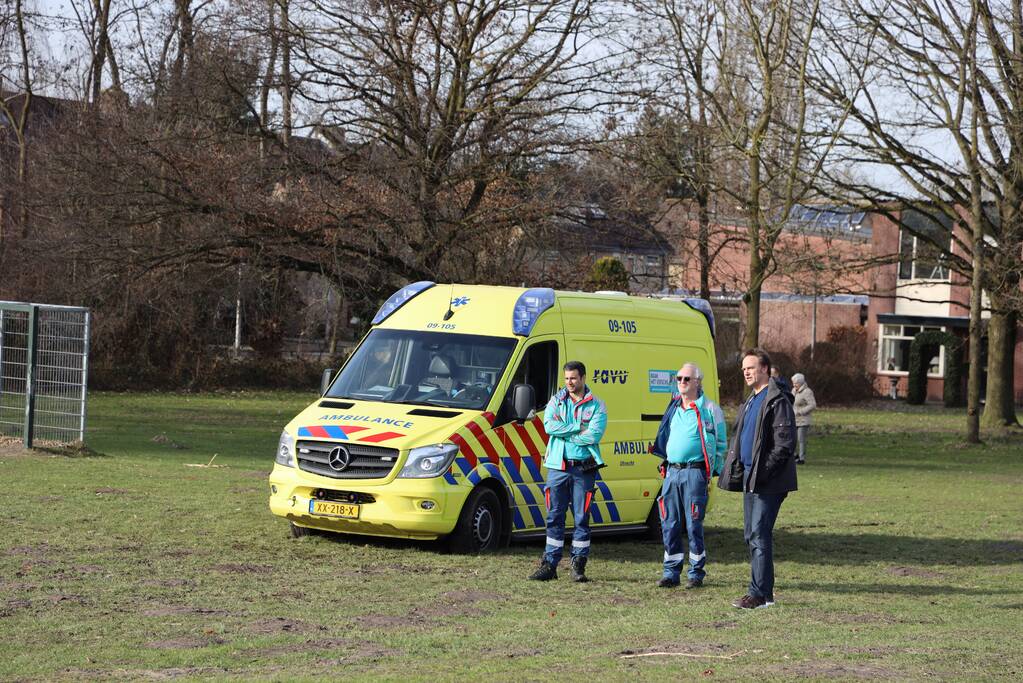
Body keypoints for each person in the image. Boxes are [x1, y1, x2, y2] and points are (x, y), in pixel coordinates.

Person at [717, 348, 797, 609]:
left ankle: (758, 595)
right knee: (752, 535)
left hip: (767, 482)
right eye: (743, 369)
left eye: (750, 367)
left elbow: (784, 446)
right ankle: (765, 593)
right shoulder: (751, 400)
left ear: (764, 369)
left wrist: (763, 474)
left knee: (759, 535)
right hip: (751, 479)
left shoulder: (777, 400)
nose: (746, 372)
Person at [528, 360, 608, 583]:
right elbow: (548, 427)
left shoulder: (597, 405)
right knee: (554, 516)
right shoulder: (556, 400)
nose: (569, 383)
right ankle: (549, 565)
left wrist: (564, 433)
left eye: (573, 378)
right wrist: (575, 428)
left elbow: (593, 436)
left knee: (582, 518)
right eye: (566, 379)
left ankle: (577, 566)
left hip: (583, 468)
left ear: (583, 378)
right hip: (558, 467)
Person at [649, 363, 723, 589]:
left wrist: (710, 473)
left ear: (698, 381)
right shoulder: (673, 406)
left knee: (693, 525)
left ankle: (696, 573)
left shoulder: (711, 409)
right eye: (679, 378)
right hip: (672, 472)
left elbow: (720, 445)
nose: (682, 382)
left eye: (686, 379)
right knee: (669, 523)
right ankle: (671, 572)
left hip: (694, 473)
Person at [791, 373, 817, 464]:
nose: (794, 385)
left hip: (804, 420)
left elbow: (813, 405)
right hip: (794, 419)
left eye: (796, 383)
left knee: (801, 439)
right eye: (793, 383)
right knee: (792, 438)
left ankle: (802, 458)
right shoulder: (793, 391)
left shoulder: (807, 391)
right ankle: (794, 456)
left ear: (801, 383)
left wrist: (801, 411)